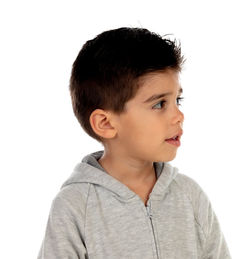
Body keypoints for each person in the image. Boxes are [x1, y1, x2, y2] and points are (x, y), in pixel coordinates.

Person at [37, 27, 231, 259]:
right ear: (106, 123)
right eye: (159, 104)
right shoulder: (75, 206)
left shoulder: (189, 196)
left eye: (177, 100)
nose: (178, 115)